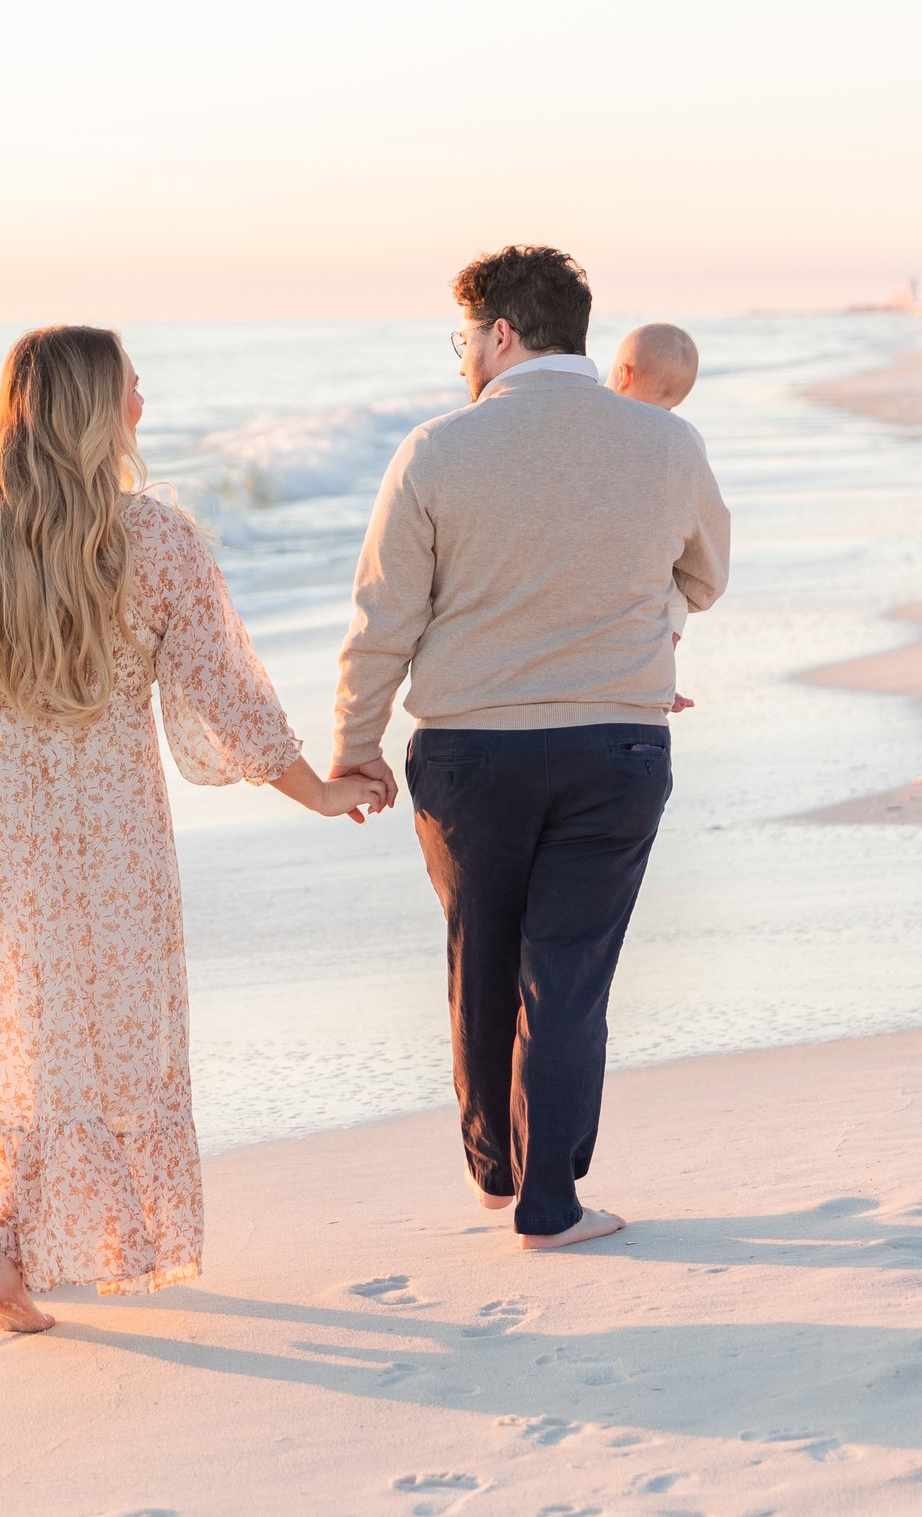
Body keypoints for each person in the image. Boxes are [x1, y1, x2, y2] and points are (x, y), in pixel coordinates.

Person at [0, 325, 387, 1334]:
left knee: (3, 1020)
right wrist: (316, 789)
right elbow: (222, 691)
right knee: (104, 1027)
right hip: (104, 815)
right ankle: (26, 1247)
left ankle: (3, 1243)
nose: (142, 403)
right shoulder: (153, 536)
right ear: (92, 410)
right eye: (130, 388)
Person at [330, 247, 730, 1250]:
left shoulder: (434, 448)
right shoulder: (667, 442)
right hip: (614, 747)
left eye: (467, 336)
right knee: (568, 971)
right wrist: (639, 616)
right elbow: (707, 574)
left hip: (471, 755)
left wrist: (355, 744)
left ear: (500, 334)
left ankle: (494, 1168)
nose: (463, 355)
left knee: (484, 955)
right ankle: (551, 1197)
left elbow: (383, 616)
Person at [609, 323, 704, 704]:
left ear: (623, 374)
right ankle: (658, 679)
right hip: (656, 555)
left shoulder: (603, 423)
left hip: (608, 547)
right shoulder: (685, 437)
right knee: (675, 602)